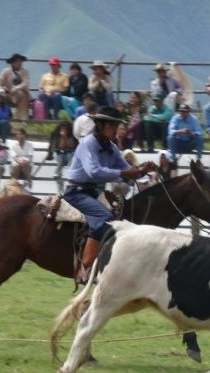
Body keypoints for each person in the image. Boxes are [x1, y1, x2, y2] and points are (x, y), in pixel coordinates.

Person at [63, 106, 156, 283]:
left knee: (123, 215)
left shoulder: (112, 148)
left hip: (93, 193)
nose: (116, 129)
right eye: (112, 125)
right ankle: (85, 267)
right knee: (105, 217)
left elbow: (127, 171)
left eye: (117, 125)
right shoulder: (87, 143)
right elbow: (93, 172)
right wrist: (123, 174)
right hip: (76, 192)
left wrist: (143, 171)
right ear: (100, 125)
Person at [0, 53, 30, 121]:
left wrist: (17, 88)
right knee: (0, 95)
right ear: (12, 63)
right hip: (9, 94)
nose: (20, 63)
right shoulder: (5, 71)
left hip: (21, 94)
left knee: (21, 94)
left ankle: (21, 118)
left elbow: (25, 83)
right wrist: (2, 89)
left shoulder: (25, 72)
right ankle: (4, 115)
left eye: (20, 61)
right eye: (17, 61)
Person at [47, 121, 78, 193]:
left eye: (65, 129)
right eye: (62, 129)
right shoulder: (57, 136)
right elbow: (60, 146)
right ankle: (57, 174)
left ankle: (70, 174)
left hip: (70, 153)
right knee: (60, 161)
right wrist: (63, 137)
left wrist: (66, 137)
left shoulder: (72, 135)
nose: (64, 130)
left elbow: (72, 146)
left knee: (71, 157)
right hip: (60, 154)